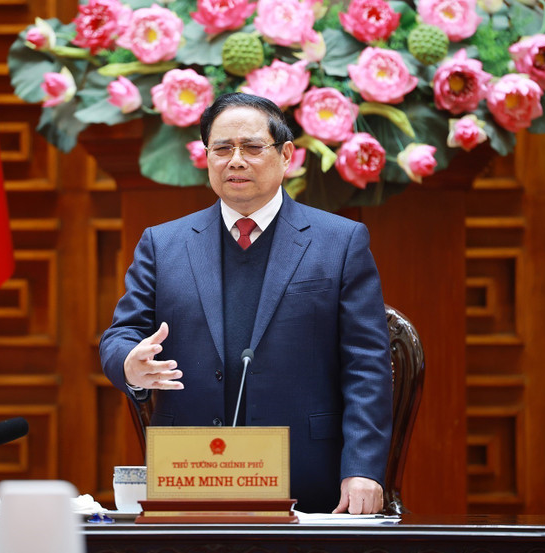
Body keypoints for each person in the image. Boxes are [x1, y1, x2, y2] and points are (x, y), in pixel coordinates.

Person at [100, 93, 392, 514]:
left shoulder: (340, 242)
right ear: (207, 158)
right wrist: (130, 362)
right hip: (190, 474)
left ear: (286, 154)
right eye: (222, 148)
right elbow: (121, 334)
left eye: (253, 147)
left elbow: (367, 363)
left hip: (307, 477)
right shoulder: (163, 244)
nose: (235, 160)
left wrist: (363, 468)